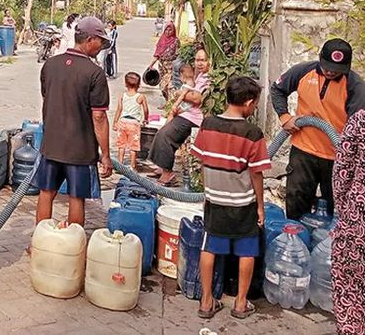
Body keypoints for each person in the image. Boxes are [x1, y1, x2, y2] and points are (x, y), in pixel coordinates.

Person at [192, 76, 270, 320]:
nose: (254, 108)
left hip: (215, 199)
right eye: (255, 103)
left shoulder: (208, 124)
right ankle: (241, 303)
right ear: (248, 102)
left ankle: (206, 302)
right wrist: (260, 206)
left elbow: (202, 161)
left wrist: (207, 192)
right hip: (242, 202)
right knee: (247, 249)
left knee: (210, 247)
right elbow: (256, 174)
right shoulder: (252, 133)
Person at [270, 38, 365, 219]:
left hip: (338, 158)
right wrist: (284, 117)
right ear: (320, 58)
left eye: (336, 70)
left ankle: (329, 246)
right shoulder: (303, 71)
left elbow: (358, 125)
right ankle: (297, 240)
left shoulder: (356, 86)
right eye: (327, 66)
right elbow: (277, 90)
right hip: (303, 151)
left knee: (336, 207)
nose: (330, 72)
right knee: (296, 200)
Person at [33, 16, 113, 227]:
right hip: (80, 150)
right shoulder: (95, 73)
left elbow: (47, 99)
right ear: (89, 39)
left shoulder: (50, 65)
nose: (101, 46)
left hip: (51, 144)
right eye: (100, 41)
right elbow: (99, 117)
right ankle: (73, 245)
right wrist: (105, 155)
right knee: (76, 197)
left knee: (46, 192)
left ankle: (40, 243)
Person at [148, 48, 211, 186]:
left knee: (165, 135)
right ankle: (162, 166)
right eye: (197, 60)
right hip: (187, 114)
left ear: (209, 62)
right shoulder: (199, 76)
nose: (199, 63)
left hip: (194, 118)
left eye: (203, 60)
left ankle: (168, 173)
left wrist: (178, 94)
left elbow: (197, 99)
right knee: (162, 132)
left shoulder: (207, 78)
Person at [331, 109, 365, 334]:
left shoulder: (361, 120)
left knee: (351, 284)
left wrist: (345, 211)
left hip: (358, 219)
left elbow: (342, 171)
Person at [112, 72, 149, 170]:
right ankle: (132, 166)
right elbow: (145, 109)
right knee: (133, 146)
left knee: (121, 145)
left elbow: (119, 109)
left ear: (125, 84)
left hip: (123, 122)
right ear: (139, 84)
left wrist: (115, 122)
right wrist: (146, 119)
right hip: (134, 124)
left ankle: (120, 164)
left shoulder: (123, 96)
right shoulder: (140, 97)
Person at [148, 23, 180, 101]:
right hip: (162, 66)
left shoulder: (176, 41)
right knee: (162, 85)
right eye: (166, 30)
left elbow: (178, 54)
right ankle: (167, 102)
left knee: (168, 85)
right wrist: (151, 64)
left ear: (173, 31)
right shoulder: (162, 40)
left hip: (171, 66)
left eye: (170, 30)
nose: (168, 32)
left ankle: (170, 103)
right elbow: (157, 54)